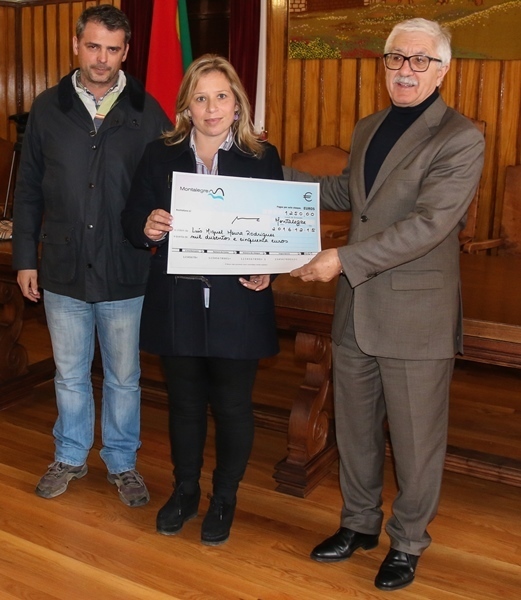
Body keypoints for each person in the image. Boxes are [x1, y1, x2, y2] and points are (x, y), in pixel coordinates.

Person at [286, 18, 484, 591]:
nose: (406, 70)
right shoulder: (370, 126)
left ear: (443, 70)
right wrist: (265, 174)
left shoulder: (460, 138)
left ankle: (408, 542)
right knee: (355, 429)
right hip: (357, 309)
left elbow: (429, 225)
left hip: (415, 315)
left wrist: (341, 258)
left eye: (421, 60)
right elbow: (348, 193)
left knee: (416, 441)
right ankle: (358, 524)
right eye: (397, 58)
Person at [12, 5, 171, 507]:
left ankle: (122, 461)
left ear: (127, 52)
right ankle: (70, 454)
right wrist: (25, 258)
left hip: (126, 266)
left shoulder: (148, 110)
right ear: (76, 45)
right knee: (69, 374)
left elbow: (171, 184)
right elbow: (28, 190)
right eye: (94, 46)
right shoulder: (47, 108)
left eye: (113, 49)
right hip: (62, 267)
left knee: (124, 377)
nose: (102, 58)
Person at [121, 54, 282, 545]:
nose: (211, 108)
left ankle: (224, 497)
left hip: (239, 302)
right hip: (178, 300)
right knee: (185, 405)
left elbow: (275, 229)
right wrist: (147, 226)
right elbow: (132, 221)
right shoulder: (159, 154)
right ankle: (185, 491)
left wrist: (268, 265)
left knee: (233, 406)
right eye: (201, 98)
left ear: (237, 104)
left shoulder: (261, 157)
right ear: (185, 106)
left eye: (221, 97)